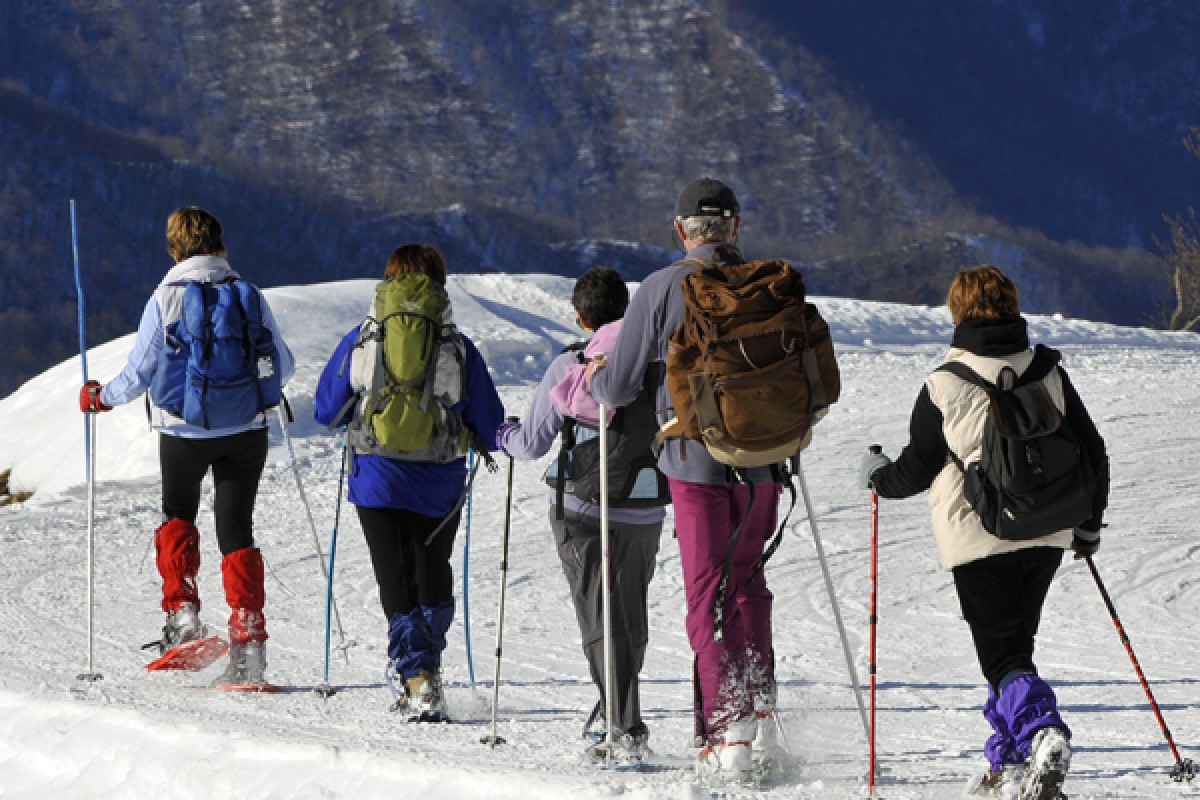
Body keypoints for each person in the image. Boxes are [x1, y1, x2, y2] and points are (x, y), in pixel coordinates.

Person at [858, 265, 1109, 799]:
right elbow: (1092, 451)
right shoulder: (1047, 371)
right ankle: (1010, 765)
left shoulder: (944, 382)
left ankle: (1042, 733)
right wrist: (1086, 527)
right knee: (1013, 649)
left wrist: (877, 481)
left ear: (958, 312)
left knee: (1004, 656)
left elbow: (918, 466)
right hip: (1046, 533)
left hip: (977, 539)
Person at [590, 179, 786, 781]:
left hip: (695, 461)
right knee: (748, 583)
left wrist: (596, 379)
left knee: (706, 595)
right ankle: (757, 709)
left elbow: (620, 386)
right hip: (762, 461)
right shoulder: (767, 283)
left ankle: (726, 728)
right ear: (735, 227)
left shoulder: (660, 287)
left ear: (681, 231)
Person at [78, 206, 296, 686]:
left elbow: (138, 374)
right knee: (238, 528)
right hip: (245, 430)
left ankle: (183, 618)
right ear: (221, 244)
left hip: (183, 430)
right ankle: (249, 641)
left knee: (178, 515)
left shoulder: (167, 297)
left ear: (174, 249)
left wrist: (100, 398)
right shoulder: (250, 295)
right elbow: (284, 364)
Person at [313, 243, 505, 720]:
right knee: (430, 566)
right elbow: (490, 423)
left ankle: (416, 680)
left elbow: (325, 409)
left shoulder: (364, 337)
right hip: (439, 478)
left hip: (375, 475)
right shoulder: (457, 346)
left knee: (393, 574)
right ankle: (429, 672)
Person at [496, 266, 667, 764]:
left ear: (580, 316)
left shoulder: (573, 363)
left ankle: (621, 726)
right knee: (629, 614)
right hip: (646, 502)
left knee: (598, 614)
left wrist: (502, 435)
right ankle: (619, 714)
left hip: (583, 506)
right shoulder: (659, 362)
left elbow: (530, 443)